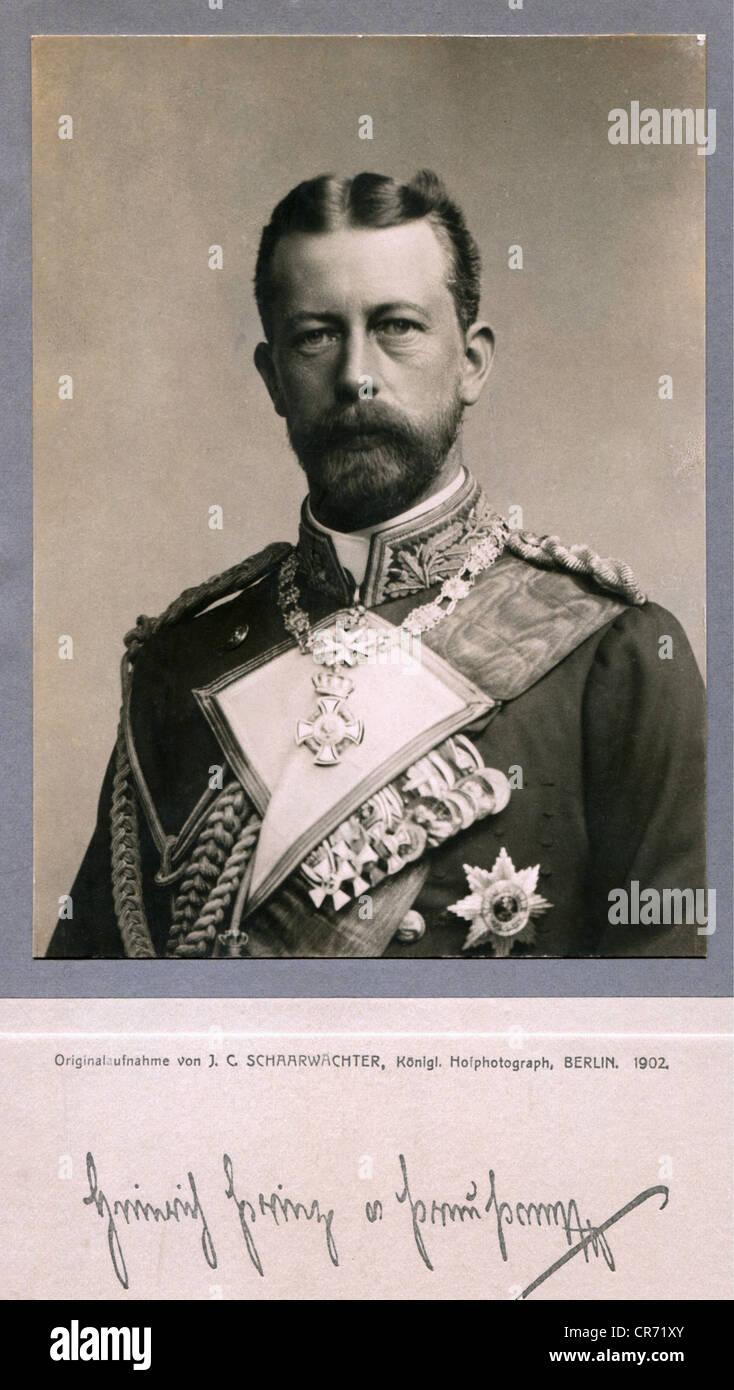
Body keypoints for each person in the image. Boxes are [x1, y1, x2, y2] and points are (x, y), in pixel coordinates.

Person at [47, 170, 706, 961]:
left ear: (471, 362)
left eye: (396, 326)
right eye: (316, 336)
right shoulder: (179, 667)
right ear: (272, 378)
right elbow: (91, 1009)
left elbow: (666, 1041)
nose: (358, 374)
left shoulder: (618, 659)